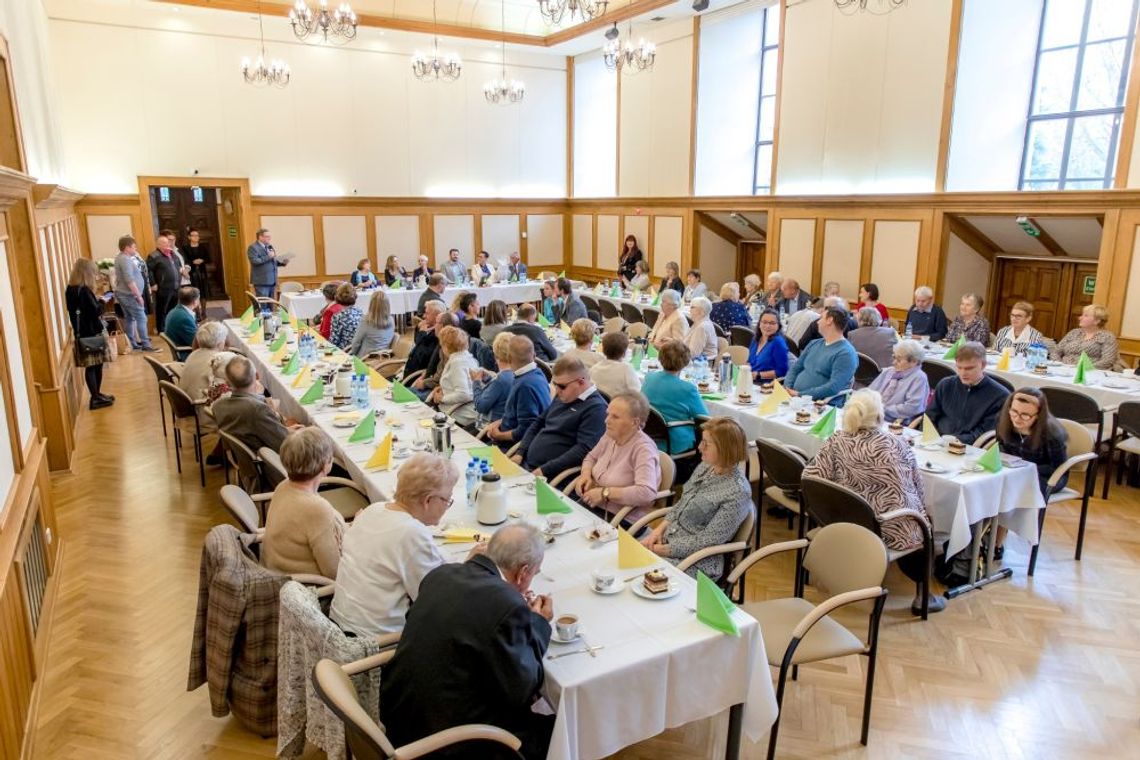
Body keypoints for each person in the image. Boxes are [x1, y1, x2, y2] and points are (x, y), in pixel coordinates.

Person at [379, 524, 554, 760]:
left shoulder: (441, 574)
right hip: (451, 743)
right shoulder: (507, 605)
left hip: (399, 714)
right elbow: (523, 689)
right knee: (559, 730)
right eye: (535, 572)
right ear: (523, 572)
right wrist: (538, 622)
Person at [802, 389, 945, 615]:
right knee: (925, 521)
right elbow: (917, 488)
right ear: (880, 416)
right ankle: (923, 595)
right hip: (888, 527)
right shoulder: (896, 444)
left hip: (847, 522)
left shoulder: (836, 440)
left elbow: (809, 477)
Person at [332, 453, 460, 636]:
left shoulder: (373, 510)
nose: (447, 506)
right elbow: (435, 601)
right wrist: (469, 568)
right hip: (375, 643)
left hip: (339, 625)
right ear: (428, 501)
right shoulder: (411, 533)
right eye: (447, 500)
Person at [638, 417, 752, 580]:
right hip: (668, 541)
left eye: (706, 444)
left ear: (725, 449)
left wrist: (659, 550)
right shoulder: (706, 466)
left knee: (638, 576)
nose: (699, 447)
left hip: (697, 561)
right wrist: (658, 531)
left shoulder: (738, 492)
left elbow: (707, 541)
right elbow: (683, 502)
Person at [993, 387, 1069, 558]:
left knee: (1008, 493)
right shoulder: (1004, 420)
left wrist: (1024, 468)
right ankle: (982, 539)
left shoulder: (1052, 433)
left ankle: (996, 544)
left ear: (1038, 415)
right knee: (988, 487)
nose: (1017, 419)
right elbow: (1000, 448)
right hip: (1015, 471)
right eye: (1014, 412)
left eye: (1025, 415)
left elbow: (1059, 468)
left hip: (1047, 476)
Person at [262, 428, 345, 579]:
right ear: (325, 465)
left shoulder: (284, 486)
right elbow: (335, 572)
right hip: (310, 589)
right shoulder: (316, 509)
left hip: (279, 574)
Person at [513, 355, 606, 478]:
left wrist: (545, 470)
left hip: (552, 475)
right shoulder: (564, 395)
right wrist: (520, 452)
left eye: (561, 386)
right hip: (527, 464)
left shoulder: (597, 409)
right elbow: (539, 422)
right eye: (554, 384)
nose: (557, 390)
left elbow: (583, 451)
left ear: (581, 382)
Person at [574, 392, 661, 520]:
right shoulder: (610, 435)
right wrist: (585, 475)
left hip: (619, 519)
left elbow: (647, 493)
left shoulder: (644, 449)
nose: (606, 420)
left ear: (634, 422)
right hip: (591, 506)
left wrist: (605, 493)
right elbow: (591, 458)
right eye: (608, 414)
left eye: (615, 417)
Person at [925, 341, 1008, 444]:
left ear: (983, 365)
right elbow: (929, 417)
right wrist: (931, 438)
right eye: (959, 367)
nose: (963, 373)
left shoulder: (1000, 395)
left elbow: (985, 431)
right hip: (936, 442)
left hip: (970, 447)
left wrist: (956, 440)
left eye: (969, 368)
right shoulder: (945, 384)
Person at [213, 355, 299, 452]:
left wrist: (286, 430)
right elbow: (285, 444)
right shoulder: (257, 409)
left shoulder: (218, 406)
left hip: (243, 458)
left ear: (227, 384)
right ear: (257, 376)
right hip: (269, 460)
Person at [642, 340, 708, 455]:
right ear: (686, 362)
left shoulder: (649, 378)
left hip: (649, 436)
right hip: (674, 441)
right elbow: (705, 419)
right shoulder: (688, 389)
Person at [785, 305, 858, 405]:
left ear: (830, 320)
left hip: (820, 405)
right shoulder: (814, 343)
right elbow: (795, 368)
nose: (818, 322)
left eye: (821, 318)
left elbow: (833, 387)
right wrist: (788, 388)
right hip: (794, 399)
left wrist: (800, 394)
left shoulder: (846, 353)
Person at [66, 258, 114, 410]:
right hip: (92, 332)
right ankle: (95, 397)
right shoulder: (85, 290)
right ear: (87, 273)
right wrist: (102, 302)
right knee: (94, 366)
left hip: (82, 332)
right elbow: (95, 312)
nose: (95, 275)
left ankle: (97, 395)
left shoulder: (71, 289)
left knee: (93, 365)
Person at [487, 335, 551, 446]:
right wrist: (498, 423)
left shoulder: (525, 386)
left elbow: (525, 430)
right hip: (505, 432)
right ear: (534, 355)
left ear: (509, 359)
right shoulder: (539, 373)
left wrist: (498, 435)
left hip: (509, 446)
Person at [113, 234, 159, 352]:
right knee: (141, 318)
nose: (135, 249)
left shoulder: (121, 257)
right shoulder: (125, 259)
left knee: (130, 318)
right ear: (127, 248)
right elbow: (129, 279)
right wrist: (138, 296)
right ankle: (146, 344)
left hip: (125, 294)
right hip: (129, 295)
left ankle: (133, 343)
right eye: (134, 247)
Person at [868, 339, 929, 423]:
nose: (893, 362)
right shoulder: (889, 371)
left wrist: (882, 408)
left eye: (899, 360)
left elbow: (912, 408)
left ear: (914, 361)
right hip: (874, 415)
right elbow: (869, 392)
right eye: (894, 357)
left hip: (896, 422)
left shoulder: (919, 378)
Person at [429, 326, 479, 427]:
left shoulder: (457, 363)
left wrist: (442, 398)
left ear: (445, 347)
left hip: (457, 414)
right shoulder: (468, 358)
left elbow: (464, 394)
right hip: (457, 410)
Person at [1052, 303, 1119, 370]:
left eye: (1085, 315)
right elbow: (1056, 352)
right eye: (1082, 315)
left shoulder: (1107, 337)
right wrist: (1059, 365)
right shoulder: (1074, 332)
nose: (1080, 318)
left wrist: (1082, 369)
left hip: (1089, 373)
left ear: (1097, 321)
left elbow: (1107, 361)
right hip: (1063, 371)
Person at [472, 332, 516, 429]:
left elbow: (480, 406)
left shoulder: (500, 380)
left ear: (496, 355)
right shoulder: (517, 374)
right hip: (508, 425)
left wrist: (476, 382)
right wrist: (490, 379)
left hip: (492, 428)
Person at [590, 331, 642, 398]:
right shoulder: (626, 369)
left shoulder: (594, 368)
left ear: (603, 350)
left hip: (601, 404)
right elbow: (637, 393)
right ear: (624, 353)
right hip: (619, 405)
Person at [147, 233, 181, 333]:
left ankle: (171, 327)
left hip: (175, 287)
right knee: (162, 309)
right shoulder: (153, 256)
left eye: (168, 242)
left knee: (173, 309)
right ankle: (161, 329)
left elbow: (178, 265)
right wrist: (153, 283)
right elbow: (148, 270)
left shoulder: (172, 254)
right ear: (158, 245)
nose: (168, 244)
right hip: (163, 287)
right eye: (164, 243)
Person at [403, 301, 446, 377]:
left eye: (427, 313)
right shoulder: (427, 328)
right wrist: (418, 329)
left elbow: (423, 356)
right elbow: (417, 343)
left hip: (416, 376)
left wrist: (422, 333)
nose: (423, 316)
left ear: (437, 316)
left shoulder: (438, 335)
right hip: (408, 371)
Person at [349, 289, 395, 357]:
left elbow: (356, 343)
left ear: (371, 304)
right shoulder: (391, 320)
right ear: (387, 305)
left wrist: (352, 354)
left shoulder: (366, 321)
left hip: (365, 359)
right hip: (384, 359)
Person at [748, 308, 790, 380]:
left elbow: (782, 371)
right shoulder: (756, 339)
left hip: (766, 384)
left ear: (778, 326)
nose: (768, 326)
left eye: (772, 323)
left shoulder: (778, 343)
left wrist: (758, 375)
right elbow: (749, 361)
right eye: (764, 322)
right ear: (759, 324)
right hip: (750, 380)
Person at [164, 286, 200, 360]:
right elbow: (198, 343)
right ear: (195, 302)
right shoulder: (184, 318)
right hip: (188, 354)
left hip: (183, 346)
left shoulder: (175, 311)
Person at [247, 227, 283, 299]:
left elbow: (272, 261)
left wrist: (282, 263)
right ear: (260, 237)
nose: (269, 238)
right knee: (263, 304)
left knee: (271, 304)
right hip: (262, 282)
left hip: (272, 281)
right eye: (267, 236)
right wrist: (268, 256)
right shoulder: (253, 247)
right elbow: (255, 261)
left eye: (270, 236)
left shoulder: (269, 246)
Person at [328, 284, 363, 350]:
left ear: (337, 297)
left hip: (345, 351)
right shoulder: (360, 311)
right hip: (358, 348)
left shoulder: (338, 316)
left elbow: (334, 342)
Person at [185, 229, 211, 300]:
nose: (196, 237)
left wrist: (202, 260)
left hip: (202, 272)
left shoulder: (203, 247)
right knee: (193, 292)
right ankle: (196, 310)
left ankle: (203, 311)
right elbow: (184, 260)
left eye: (197, 235)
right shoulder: (185, 248)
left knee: (203, 293)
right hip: (191, 272)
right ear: (189, 237)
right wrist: (193, 262)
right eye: (193, 235)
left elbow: (208, 259)